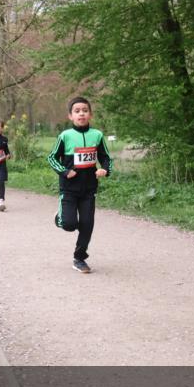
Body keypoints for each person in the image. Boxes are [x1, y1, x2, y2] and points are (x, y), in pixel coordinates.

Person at [47, 97, 112, 273]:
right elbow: (51, 158)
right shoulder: (65, 136)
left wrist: (104, 170)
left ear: (90, 114)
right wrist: (65, 171)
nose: (81, 113)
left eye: (84, 110)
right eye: (77, 111)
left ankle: (79, 258)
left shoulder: (97, 135)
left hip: (89, 188)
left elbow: (106, 157)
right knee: (69, 224)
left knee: (87, 224)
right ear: (70, 116)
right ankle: (60, 217)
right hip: (69, 188)